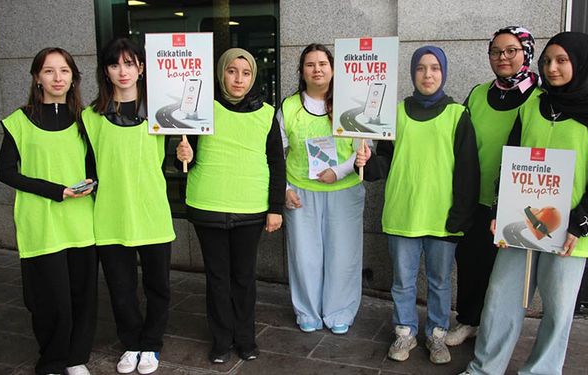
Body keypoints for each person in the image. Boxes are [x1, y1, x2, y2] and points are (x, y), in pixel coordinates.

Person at [462, 32, 588, 375]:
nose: (552, 68)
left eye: (562, 61)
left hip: (570, 232)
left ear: (580, 64)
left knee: (558, 310)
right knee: (501, 297)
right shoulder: (533, 104)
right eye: (547, 61)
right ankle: (484, 368)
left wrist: (582, 225)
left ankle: (542, 371)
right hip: (521, 223)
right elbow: (511, 160)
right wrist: (499, 209)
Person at [355, 46, 479, 364]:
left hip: (443, 217)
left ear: (443, 73)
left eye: (435, 68)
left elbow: (468, 170)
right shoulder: (394, 113)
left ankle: (437, 335)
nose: (428, 74)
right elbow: (384, 161)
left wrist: (461, 216)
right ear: (412, 73)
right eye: (421, 68)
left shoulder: (457, 115)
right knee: (403, 281)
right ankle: (405, 333)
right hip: (403, 213)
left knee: (439, 282)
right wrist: (367, 162)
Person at [176, 48, 285, 364]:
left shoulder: (267, 112)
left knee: (244, 278)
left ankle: (246, 338)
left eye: (246, 73)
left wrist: (275, 206)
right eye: (232, 71)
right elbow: (186, 156)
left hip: (251, 209)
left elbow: (277, 163)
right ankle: (221, 340)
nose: (239, 79)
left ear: (254, 77)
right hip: (208, 206)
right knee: (217, 278)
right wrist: (182, 154)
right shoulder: (200, 109)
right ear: (221, 73)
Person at [0, 47, 97, 375]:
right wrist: (56, 191)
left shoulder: (86, 121)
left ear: (73, 77)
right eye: (49, 71)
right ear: (37, 78)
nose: (58, 78)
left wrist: (90, 183)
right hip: (41, 222)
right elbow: (6, 172)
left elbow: (95, 166)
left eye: (64, 71)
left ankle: (76, 357)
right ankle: (52, 360)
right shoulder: (20, 121)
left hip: (81, 222)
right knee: (50, 299)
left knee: (82, 295)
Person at [83, 38, 175, 375]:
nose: (123, 71)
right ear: (105, 71)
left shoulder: (162, 114)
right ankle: (132, 342)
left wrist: (186, 155)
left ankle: (151, 343)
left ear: (141, 68)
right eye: (115, 64)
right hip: (110, 214)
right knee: (121, 289)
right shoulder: (90, 117)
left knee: (158, 286)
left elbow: (186, 157)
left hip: (152, 211)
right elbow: (85, 167)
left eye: (130, 63)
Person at [447, 26, 541, 346]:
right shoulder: (477, 93)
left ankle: (497, 330)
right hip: (476, 197)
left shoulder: (541, 97)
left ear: (526, 52)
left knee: (506, 275)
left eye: (511, 50)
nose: (502, 58)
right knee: (471, 263)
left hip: (518, 203)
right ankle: (469, 321)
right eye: (496, 51)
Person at [278, 43, 365, 336]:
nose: (317, 69)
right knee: (304, 256)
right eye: (310, 64)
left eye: (322, 64)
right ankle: (307, 311)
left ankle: (339, 310)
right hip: (301, 191)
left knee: (343, 254)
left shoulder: (349, 103)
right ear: (302, 71)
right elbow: (276, 152)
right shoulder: (289, 106)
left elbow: (364, 147)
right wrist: (285, 188)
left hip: (344, 190)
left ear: (333, 68)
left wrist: (338, 171)